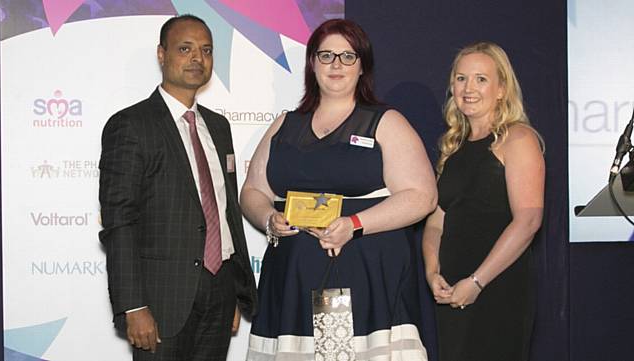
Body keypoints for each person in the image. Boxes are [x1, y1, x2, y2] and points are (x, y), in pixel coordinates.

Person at [241, 19, 437, 360]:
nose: (336, 65)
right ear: (312, 63)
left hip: (366, 277)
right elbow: (253, 191)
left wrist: (354, 225)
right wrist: (269, 218)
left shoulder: (386, 122)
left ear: (362, 67)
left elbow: (422, 196)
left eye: (348, 57)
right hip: (293, 280)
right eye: (327, 55)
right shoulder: (285, 124)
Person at [98, 14, 257, 361]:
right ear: (161, 54)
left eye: (206, 50)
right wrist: (133, 304)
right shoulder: (130, 125)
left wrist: (231, 290)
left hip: (220, 289)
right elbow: (119, 222)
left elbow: (225, 210)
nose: (197, 59)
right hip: (161, 298)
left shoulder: (218, 127)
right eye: (185, 49)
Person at [422, 41, 545, 361]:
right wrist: (432, 272)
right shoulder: (454, 148)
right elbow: (436, 220)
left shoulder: (518, 138)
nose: (468, 88)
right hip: (452, 291)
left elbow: (528, 220)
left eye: (481, 79)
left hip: (497, 288)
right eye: (461, 78)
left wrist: (477, 282)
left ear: (502, 88)